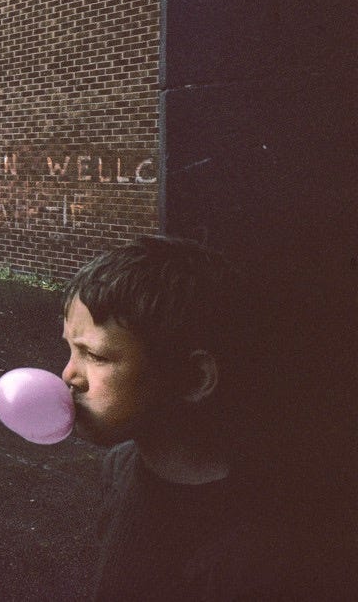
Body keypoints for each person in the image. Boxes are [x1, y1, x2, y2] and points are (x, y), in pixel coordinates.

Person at [60, 235, 352, 599]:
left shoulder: (254, 551)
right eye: (71, 350)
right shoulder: (119, 468)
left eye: (96, 356)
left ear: (193, 378)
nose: (68, 376)